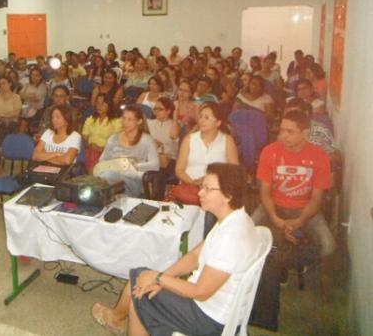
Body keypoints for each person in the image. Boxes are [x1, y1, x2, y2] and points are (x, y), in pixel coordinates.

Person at [91, 163, 259, 336]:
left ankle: (116, 318)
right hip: (214, 310)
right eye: (202, 187)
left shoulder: (230, 238)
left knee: (139, 279)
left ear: (228, 195)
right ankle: (116, 318)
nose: (200, 192)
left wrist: (158, 277)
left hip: (210, 321)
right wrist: (160, 279)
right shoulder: (234, 219)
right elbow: (195, 256)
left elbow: (200, 292)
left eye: (208, 189)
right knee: (142, 289)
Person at [252, 110, 336, 259]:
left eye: (290, 132)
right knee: (245, 235)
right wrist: (275, 218)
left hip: (305, 208)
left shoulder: (320, 156)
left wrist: (300, 221)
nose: (283, 135)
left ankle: (298, 263)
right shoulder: (269, 152)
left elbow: (316, 199)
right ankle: (271, 263)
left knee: (328, 247)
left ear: (305, 133)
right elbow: (264, 193)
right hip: (273, 205)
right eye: (282, 130)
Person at [173, 102, 239, 190]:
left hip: (216, 189)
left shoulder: (227, 140)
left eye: (207, 118)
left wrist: (210, 183)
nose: (201, 121)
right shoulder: (189, 139)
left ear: (218, 123)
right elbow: (179, 170)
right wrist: (193, 183)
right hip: (190, 187)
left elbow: (233, 171)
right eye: (201, 117)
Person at [97, 105, 159, 197]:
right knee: (105, 175)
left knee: (109, 175)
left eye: (130, 119)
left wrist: (134, 165)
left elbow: (155, 165)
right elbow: (102, 160)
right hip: (112, 177)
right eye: (124, 118)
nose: (125, 122)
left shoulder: (146, 140)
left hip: (133, 178)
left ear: (139, 121)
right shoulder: (113, 138)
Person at [82, 94, 122, 173]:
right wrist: (90, 146)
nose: (99, 106)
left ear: (109, 105)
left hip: (107, 153)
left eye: (103, 104)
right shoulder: (91, 119)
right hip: (90, 151)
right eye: (97, 103)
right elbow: (85, 138)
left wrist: (101, 149)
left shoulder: (116, 121)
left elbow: (117, 143)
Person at [0, 77, 23, 167]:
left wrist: (3, 116)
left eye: (4, 83)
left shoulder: (16, 97)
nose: (1, 86)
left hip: (11, 123)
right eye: (0, 84)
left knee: (3, 127)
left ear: (10, 84)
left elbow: (16, 113)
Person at [146, 97, 180, 171]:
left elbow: (174, 135)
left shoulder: (175, 124)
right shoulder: (149, 123)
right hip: (151, 158)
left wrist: (175, 118)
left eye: (160, 109)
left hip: (168, 162)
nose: (156, 112)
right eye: (155, 109)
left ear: (168, 111)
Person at [19, 66, 48, 133]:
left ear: (40, 76)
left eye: (36, 75)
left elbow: (36, 98)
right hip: (26, 108)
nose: (34, 77)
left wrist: (25, 96)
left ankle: (20, 138)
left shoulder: (42, 86)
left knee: (23, 122)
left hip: (37, 109)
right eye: (32, 75)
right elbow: (20, 95)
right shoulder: (27, 85)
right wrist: (31, 95)